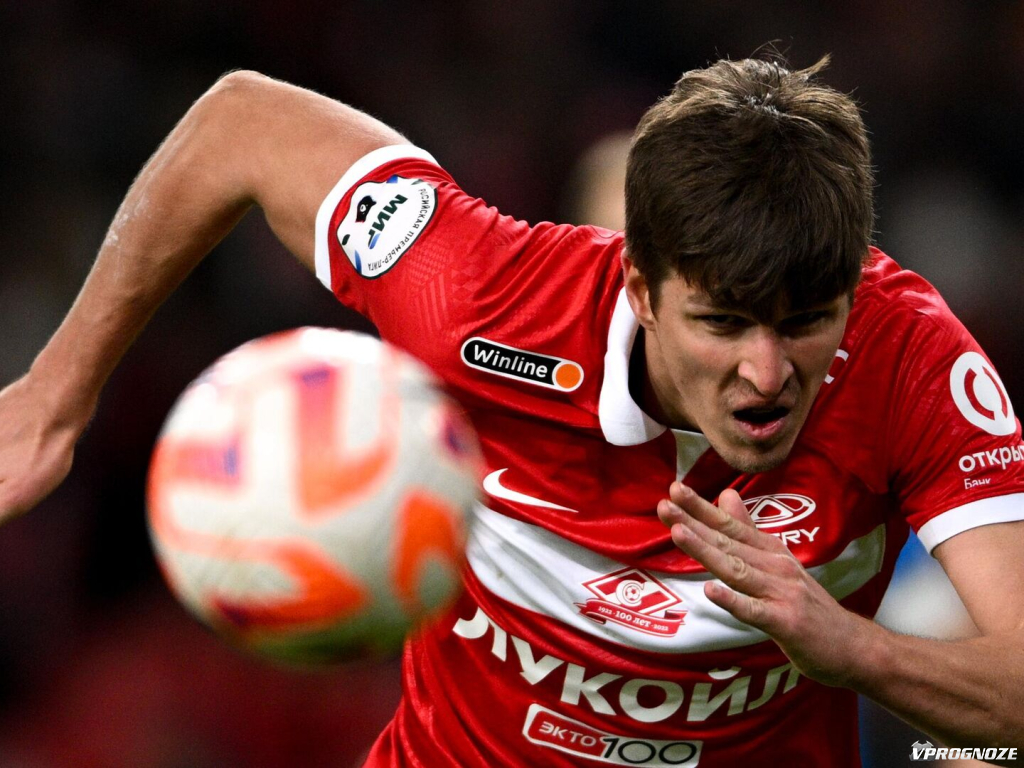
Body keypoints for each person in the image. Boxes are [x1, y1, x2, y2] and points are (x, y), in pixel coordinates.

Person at [1, 55, 1022, 766]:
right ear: (639, 287)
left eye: (807, 322)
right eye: (722, 323)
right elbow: (242, 122)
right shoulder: (482, 299)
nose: (766, 373)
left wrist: (847, 646)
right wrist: (55, 397)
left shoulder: (912, 363)